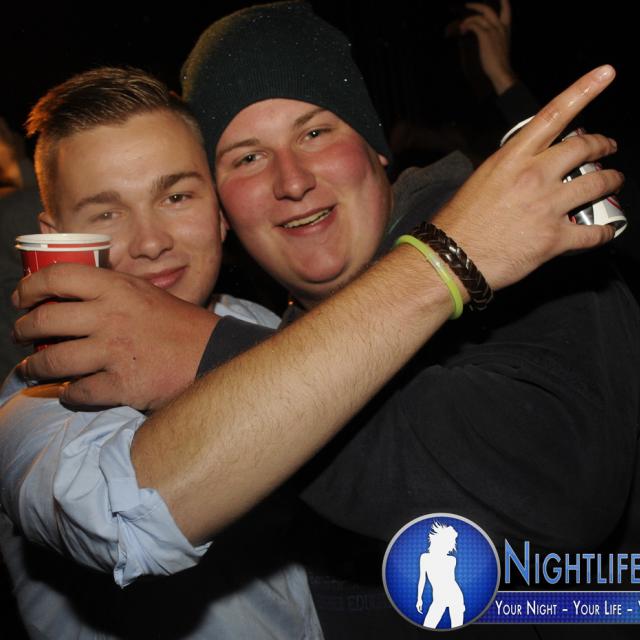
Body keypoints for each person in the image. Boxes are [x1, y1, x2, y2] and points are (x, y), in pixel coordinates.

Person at [8, 2, 635, 637]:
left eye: (315, 134)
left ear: (376, 147)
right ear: (227, 208)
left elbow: (558, 493)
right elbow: (125, 517)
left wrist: (449, 256)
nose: (292, 181)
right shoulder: (46, 398)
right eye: (246, 157)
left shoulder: (518, 247)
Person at [0, 66, 324, 639]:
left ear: (219, 211)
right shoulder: (37, 405)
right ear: (56, 239)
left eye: (176, 196)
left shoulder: (265, 325)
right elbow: (129, 526)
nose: (152, 242)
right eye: (107, 213)